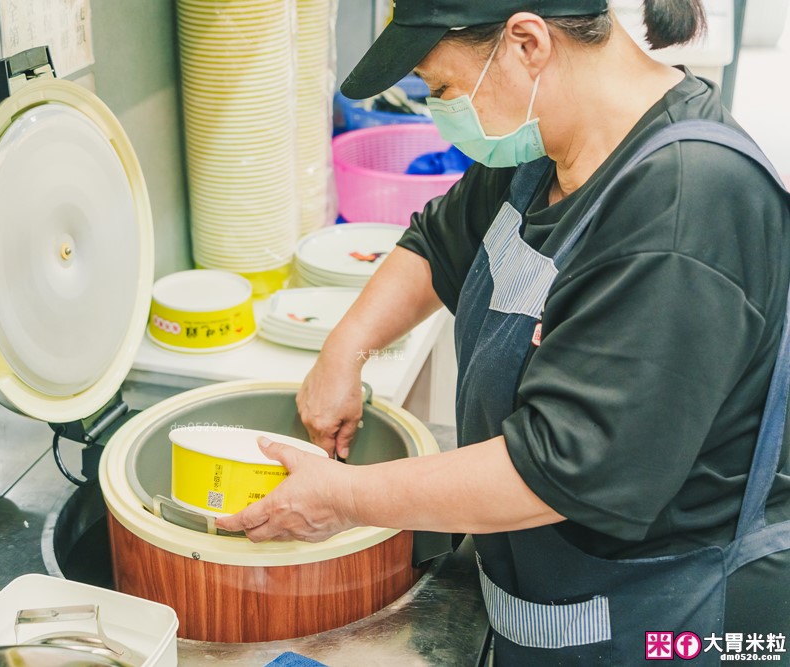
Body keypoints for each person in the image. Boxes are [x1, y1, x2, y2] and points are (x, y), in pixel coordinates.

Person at [217, 0, 790, 663]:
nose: (442, 113)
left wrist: (342, 499)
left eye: (443, 89)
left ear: (526, 43)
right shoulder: (549, 144)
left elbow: (558, 468)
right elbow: (441, 241)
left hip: (667, 630)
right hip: (547, 610)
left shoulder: (683, 212)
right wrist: (344, 348)